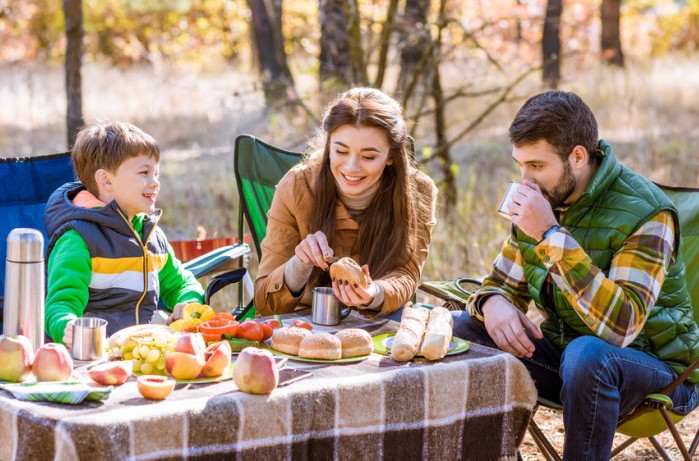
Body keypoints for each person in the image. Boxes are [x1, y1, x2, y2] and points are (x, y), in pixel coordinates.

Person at [453, 90, 699, 460]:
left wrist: (551, 237)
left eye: (537, 166)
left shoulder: (649, 214)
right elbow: (500, 284)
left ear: (578, 157)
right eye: (520, 165)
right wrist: (492, 302)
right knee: (461, 329)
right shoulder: (542, 200)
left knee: (588, 354)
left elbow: (622, 327)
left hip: (658, 372)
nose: (526, 181)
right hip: (569, 361)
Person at [254, 87, 438, 317]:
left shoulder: (418, 191)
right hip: (305, 320)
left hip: (381, 321)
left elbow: (407, 274)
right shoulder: (295, 187)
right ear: (329, 145)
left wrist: (375, 293)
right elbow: (264, 303)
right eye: (341, 151)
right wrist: (299, 264)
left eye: (369, 157)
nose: (351, 167)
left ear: (391, 156)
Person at [44, 122, 204, 346]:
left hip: (143, 351)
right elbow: (61, 303)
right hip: (93, 355)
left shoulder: (151, 236)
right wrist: (67, 325)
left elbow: (180, 283)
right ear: (106, 180)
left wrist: (188, 302)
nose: (155, 182)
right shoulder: (78, 239)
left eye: (156, 173)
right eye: (144, 172)